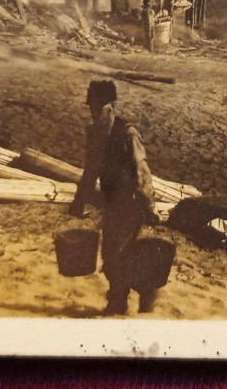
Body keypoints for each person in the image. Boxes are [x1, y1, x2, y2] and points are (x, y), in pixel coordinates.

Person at [70, 79, 158, 315]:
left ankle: (122, 301)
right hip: (112, 202)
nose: (94, 111)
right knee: (115, 254)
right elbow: (90, 171)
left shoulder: (127, 133)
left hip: (131, 202)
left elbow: (142, 172)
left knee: (114, 254)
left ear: (109, 106)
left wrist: (149, 205)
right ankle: (140, 290)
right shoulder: (96, 134)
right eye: (92, 107)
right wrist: (79, 201)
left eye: (98, 107)